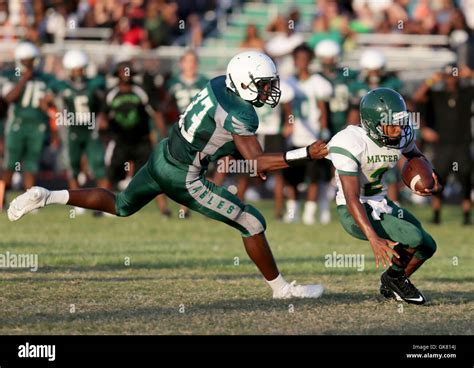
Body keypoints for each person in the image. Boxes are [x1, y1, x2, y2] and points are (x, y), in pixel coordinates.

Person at [8, 51, 328, 300]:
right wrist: (305, 153)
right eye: (264, 84)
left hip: (163, 154)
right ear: (244, 83)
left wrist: (239, 154)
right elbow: (257, 162)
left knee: (121, 205)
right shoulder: (241, 112)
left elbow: (215, 134)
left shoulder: (219, 83)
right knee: (253, 222)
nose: (270, 90)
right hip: (183, 176)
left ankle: (48, 196)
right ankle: (282, 290)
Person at [327, 87, 442, 305]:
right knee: (413, 238)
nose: (398, 129)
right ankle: (396, 279)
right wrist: (372, 236)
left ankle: (393, 279)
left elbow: (415, 155)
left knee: (427, 245)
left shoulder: (402, 134)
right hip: (354, 210)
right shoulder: (351, 141)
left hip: (382, 202)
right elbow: (351, 197)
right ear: (372, 123)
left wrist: (431, 175)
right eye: (392, 123)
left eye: (400, 121)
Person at [42, 50, 110, 215]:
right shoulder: (62, 86)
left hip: (90, 129)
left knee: (98, 165)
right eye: (75, 69)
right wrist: (55, 115)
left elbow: (105, 103)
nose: (78, 72)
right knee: (73, 167)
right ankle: (78, 202)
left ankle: (107, 202)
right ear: (69, 69)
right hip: (72, 130)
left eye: (80, 69)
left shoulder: (94, 84)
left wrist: (102, 116)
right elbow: (44, 101)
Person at [413, 64, 473, 225]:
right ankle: (436, 216)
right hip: (442, 145)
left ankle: (467, 217)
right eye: (448, 76)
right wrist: (431, 80)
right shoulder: (437, 95)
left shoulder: (466, 93)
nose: (451, 80)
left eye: (454, 76)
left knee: (466, 180)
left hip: (462, 144)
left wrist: (470, 74)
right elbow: (417, 98)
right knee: (438, 181)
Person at [284, 44, 333, 225]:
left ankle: (309, 215)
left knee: (313, 177)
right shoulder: (288, 82)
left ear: (310, 61)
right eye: (299, 59)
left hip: (312, 136)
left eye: (305, 59)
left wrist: (323, 131)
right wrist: (288, 125)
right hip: (295, 135)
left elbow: (323, 110)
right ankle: (292, 213)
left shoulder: (318, 82)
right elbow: (287, 108)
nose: (302, 63)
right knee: (293, 176)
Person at [1, 42, 56, 205]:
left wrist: (48, 102)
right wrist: (24, 78)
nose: (29, 64)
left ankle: (30, 202)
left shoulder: (44, 78)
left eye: (31, 60)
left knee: (32, 165)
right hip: (17, 125)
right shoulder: (11, 75)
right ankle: (1, 200)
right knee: (10, 164)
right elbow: (8, 98)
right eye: (25, 60)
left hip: (37, 126)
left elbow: (52, 100)